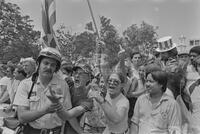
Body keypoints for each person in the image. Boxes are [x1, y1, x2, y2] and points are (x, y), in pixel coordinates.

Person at [13, 47, 92, 134]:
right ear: (38, 64)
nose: (49, 67)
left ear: (56, 68)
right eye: (46, 63)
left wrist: (81, 132)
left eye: (53, 65)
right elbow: (22, 117)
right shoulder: (25, 84)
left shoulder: (62, 85)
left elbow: (68, 114)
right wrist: (45, 110)